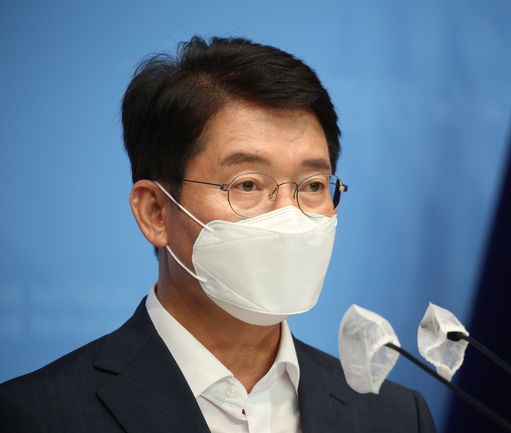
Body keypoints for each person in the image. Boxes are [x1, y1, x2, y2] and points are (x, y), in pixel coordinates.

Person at [0, 36, 436, 433]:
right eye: (247, 184)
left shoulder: (394, 416)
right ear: (155, 212)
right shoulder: (38, 416)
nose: (289, 216)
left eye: (313, 185)